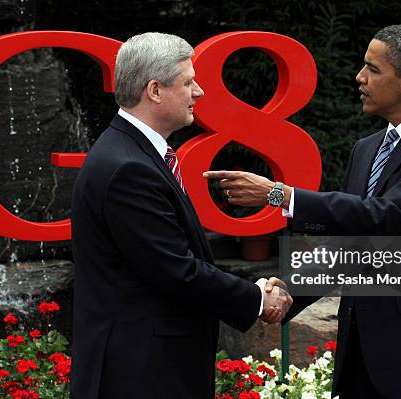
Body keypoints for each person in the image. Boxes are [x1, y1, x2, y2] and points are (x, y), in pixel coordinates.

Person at [204, 25, 401, 399]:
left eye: (373, 69)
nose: (359, 77)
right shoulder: (366, 149)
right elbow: (354, 244)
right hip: (361, 360)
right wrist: (286, 291)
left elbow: (383, 217)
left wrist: (279, 195)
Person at [70, 32, 292, 399]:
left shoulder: (133, 153)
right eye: (188, 82)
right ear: (154, 91)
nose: (199, 91)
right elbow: (176, 270)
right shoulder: (128, 168)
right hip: (140, 375)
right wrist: (255, 297)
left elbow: (177, 260)